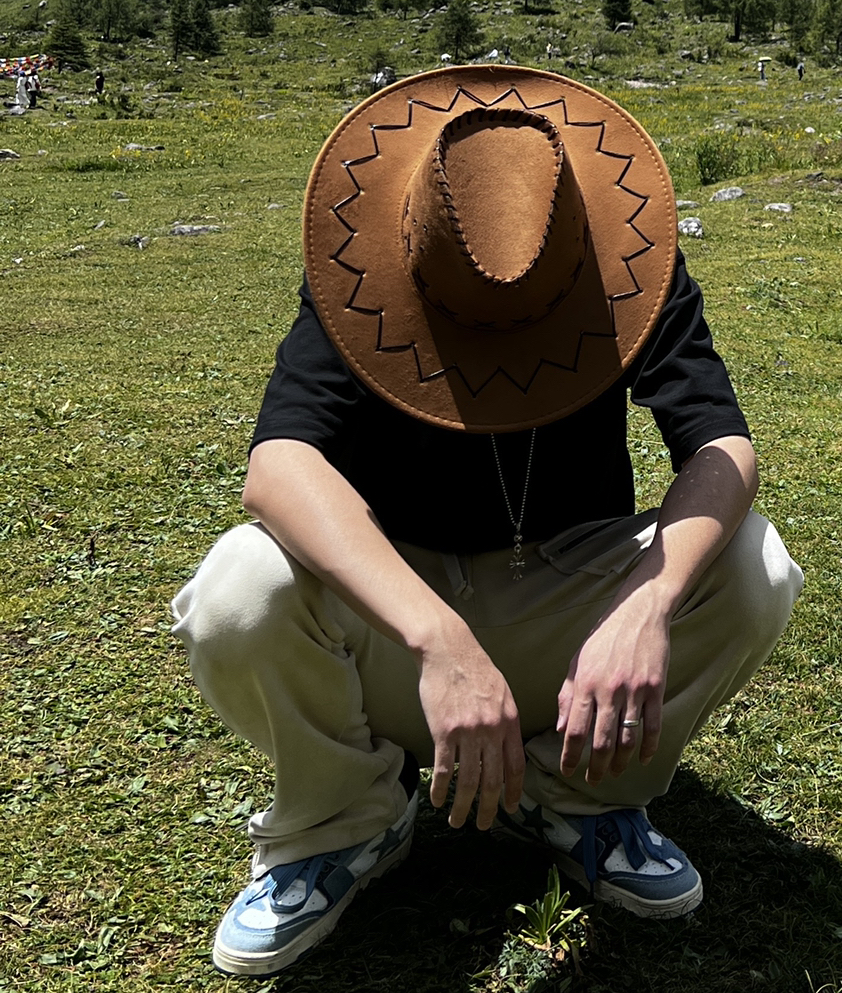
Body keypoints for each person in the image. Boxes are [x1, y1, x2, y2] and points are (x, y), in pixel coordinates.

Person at [171, 67, 802, 976]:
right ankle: (346, 822)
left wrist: (647, 603)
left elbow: (721, 445)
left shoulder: (630, 261)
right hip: (401, 626)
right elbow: (278, 465)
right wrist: (438, 641)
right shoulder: (356, 269)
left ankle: (576, 798)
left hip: (564, 614)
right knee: (240, 586)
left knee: (753, 564)